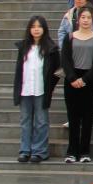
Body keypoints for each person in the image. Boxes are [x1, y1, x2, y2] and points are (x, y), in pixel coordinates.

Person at [59, 6, 93, 162]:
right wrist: (72, 78)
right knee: (73, 117)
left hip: (90, 81)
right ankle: (72, 151)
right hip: (72, 80)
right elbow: (65, 59)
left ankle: (85, 152)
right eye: (83, 17)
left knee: (87, 118)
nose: (85, 20)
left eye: (88, 17)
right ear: (78, 19)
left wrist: (85, 79)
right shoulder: (69, 37)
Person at [13, 16, 60, 163]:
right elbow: (19, 70)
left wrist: (49, 86)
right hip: (25, 89)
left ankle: (40, 151)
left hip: (41, 90)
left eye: (39, 26)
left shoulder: (51, 48)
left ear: (44, 29)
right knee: (25, 121)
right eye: (33, 27)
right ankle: (25, 150)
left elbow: (58, 71)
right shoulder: (23, 47)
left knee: (41, 121)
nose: (36, 29)